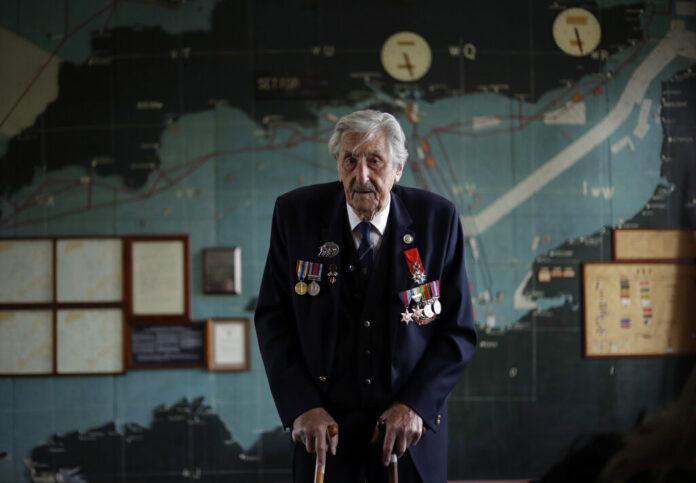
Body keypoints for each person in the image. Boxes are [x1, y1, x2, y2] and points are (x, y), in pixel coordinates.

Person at [254, 109, 477, 482]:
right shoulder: (296, 215)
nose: (362, 176)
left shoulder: (437, 220)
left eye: (375, 161)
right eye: (350, 160)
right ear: (338, 164)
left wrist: (415, 406)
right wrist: (301, 406)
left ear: (397, 169)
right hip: (323, 439)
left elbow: (458, 332)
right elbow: (273, 319)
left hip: (409, 441)